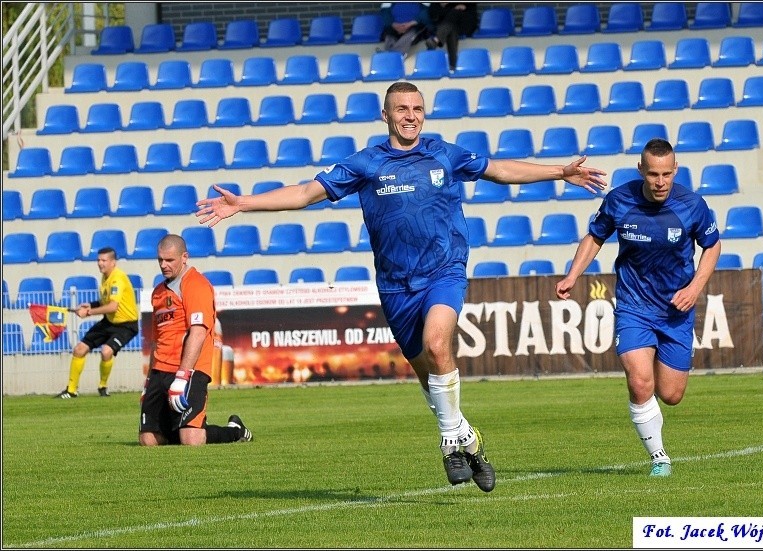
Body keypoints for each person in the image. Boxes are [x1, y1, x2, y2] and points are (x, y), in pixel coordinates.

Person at [195, 81, 607, 490]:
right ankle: (469, 440)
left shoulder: (444, 153)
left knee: (437, 345)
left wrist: (560, 171)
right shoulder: (366, 164)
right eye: (402, 109)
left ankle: (450, 444)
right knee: (428, 377)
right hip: (395, 286)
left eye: (417, 109)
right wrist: (242, 203)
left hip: (445, 270)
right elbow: (306, 192)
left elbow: (499, 169)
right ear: (386, 115)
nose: (410, 116)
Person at [555, 138, 721, 477]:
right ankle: (659, 457)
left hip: (676, 309)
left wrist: (694, 288)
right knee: (640, 381)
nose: (660, 182)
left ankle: (653, 414)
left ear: (675, 170)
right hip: (633, 306)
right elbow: (595, 236)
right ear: (641, 171)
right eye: (653, 174)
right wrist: (573, 274)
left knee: (671, 395)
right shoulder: (619, 200)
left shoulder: (692, 205)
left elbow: (713, 245)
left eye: (666, 174)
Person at [139, 234, 252, 446]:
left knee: (191, 439)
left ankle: (235, 432)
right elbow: (157, 341)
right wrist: (148, 383)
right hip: (160, 371)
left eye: (169, 260)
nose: (163, 265)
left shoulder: (196, 285)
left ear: (184, 257)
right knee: (148, 440)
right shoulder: (157, 293)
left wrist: (182, 376)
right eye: (160, 260)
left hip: (189, 370)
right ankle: (180, 427)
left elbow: (198, 332)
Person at [55, 247, 139, 399]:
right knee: (79, 349)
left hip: (126, 325)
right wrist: (90, 305)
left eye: (104, 260)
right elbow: (106, 301)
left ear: (113, 262)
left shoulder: (117, 279)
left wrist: (88, 313)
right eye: (98, 260)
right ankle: (71, 390)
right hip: (109, 321)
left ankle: (103, 386)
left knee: (106, 351)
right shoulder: (105, 277)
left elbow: (113, 306)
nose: (100, 263)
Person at [426, 3, 479, 72]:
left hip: (467, 23)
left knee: (455, 13)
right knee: (451, 28)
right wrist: (445, 5)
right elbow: (434, 12)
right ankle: (453, 66)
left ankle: (436, 39)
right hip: (449, 26)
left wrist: (450, 8)